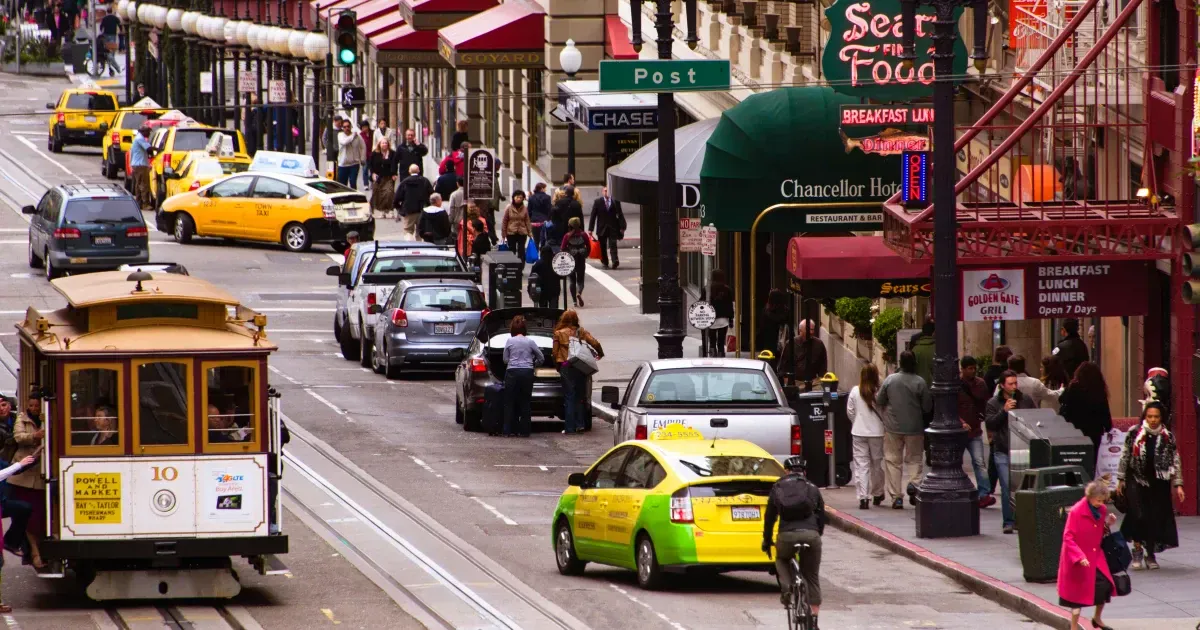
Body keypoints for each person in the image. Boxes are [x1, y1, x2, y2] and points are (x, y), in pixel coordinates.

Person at [1117, 401, 1183, 571]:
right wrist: (1121, 479)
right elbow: (1125, 455)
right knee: (1138, 515)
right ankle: (1137, 550)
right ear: (1144, 417)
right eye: (1149, 416)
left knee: (1154, 517)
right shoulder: (1134, 433)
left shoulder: (1168, 436)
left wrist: (1178, 484)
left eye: (1156, 417)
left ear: (1162, 418)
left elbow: (1175, 460)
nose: (1153, 420)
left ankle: (1150, 554)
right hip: (1136, 479)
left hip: (1159, 482)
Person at [762, 456, 825, 630]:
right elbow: (821, 516)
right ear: (804, 472)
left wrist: (767, 541)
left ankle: (787, 587)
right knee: (811, 577)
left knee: (781, 559)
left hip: (787, 536)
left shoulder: (777, 488)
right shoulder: (812, 488)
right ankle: (813, 619)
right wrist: (816, 534)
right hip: (811, 536)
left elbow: (770, 518)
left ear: (786, 471)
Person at [1058, 480, 1117, 630]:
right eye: (1098, 500)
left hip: (1095, 556)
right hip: (1079, 557)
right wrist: (1079, 557)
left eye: (1102, 501)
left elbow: (1096, 531)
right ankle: (1073, 626)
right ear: (1090, 497)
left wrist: (1107, 524)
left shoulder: (1102, 509)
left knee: (1104, 586)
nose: (1100, 503)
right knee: (1077, 595)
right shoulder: (1077, 511)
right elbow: (1068, 537)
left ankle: (1097, 618)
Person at [877, 351, 932, 509]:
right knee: (914, 459)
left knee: (893, 460)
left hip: (893, 427)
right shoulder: (920, 382)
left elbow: (880, 399)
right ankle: (914, 484)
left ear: (900, 362)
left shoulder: (890, 380)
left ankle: (896, 496)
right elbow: (927, 407)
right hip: (915, 427)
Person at [985, 369, 1036, 534]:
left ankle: (1021, 520)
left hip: (1022, 448)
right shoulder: (993, 403)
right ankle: (1008, 521)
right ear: (1002, 386)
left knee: (1023, 486)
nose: (1014, 386)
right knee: (1007, 486)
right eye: (1010, 384)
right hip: (1003, 449)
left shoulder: (1025, 400)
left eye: (1015, 383)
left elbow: (1035, 419)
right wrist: (1004, 411)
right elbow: (990, 424)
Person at [551, 310, 603, 434]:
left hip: (566, 365)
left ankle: (569, 428)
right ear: (575, 320)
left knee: (569, 397)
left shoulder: (558, 333)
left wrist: (557, 366)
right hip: (580, 366)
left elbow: (554, 353)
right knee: (580, 397)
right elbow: (595, 343)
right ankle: (580, 425)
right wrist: (600, 354)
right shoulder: (581, 332)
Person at [9, 393, 45, 568]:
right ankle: (35, 552)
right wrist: (35, 436)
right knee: (28, 515)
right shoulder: (21, 419)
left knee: (39, 514)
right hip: (24, 474)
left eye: (37, 405)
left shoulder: (49, 418)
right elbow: (18, 437)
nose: (34, 408)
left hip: (42, 474)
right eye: (32, 405)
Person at [957, 356, 993, 508]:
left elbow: (986, 405)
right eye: (969, 368)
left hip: (976, 430)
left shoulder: (981, 384)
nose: (972, 371)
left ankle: (984, 494)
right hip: (959, 431)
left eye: (974, 368)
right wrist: (961, 422)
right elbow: (950, 408)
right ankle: (958, 490)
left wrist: (989, 429)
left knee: (979, 462)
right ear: (963, 369)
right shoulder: (956, 384)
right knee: (956, 463)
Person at [848, 364, 885, 510]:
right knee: (877, 464)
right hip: (877, 432)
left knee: (861, 465)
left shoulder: (855, 391)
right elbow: (884, 411)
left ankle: (863, 497)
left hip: (858, 431)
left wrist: (857, 421)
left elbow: (850, 411)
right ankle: (877, 493)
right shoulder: (879, 392)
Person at [502, 316, 543, 438]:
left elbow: (505, 360)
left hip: (512, 372)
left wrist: (512, 362)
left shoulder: (509, 341)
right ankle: (524, 431)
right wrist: (533, 363)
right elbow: (541, 357)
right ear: (525, 329)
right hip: (527, 372)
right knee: (525, 402)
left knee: (510, 402)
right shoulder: (530, 342)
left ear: (512, 329)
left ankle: (508, 430)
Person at [1059, 361, 1113, 453]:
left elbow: (1062, 400)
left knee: (1077, 456)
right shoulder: (1099, 390)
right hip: (1094, 432)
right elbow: (1104, 411)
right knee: (1092, 458)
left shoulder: (1073, 387)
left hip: (1075, 430)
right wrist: (1108, 427)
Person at [780, 320, 828, 386]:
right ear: (800, 331)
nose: (811, 332)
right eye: (809, 330)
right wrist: (787, 382)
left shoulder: (819, 344)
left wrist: (819, 380)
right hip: (795, 382)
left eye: (812, 330)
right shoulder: (791, 343)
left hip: (814, 383)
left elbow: (823, 367)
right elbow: (783, 366)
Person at [588, 187, 626, 269]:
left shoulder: (615, 201)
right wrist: (590, 229)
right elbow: (593, 216)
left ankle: (615, 261)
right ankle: (605, 261)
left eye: (608, 191)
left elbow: (620, 214)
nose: (606, 192)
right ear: (602, 192)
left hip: (613, 227)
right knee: (602, 246)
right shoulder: (598, 202)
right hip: (601, 228)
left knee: (613, 244)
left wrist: (622, 227)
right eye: (605, 191)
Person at [701, 270, 733, 357]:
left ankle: (712, 355)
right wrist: (731, 319)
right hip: (723, 319)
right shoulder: (727, 289)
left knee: (712, 340)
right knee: (721, 341)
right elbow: (729, 305)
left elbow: (701, 303)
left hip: (711, 318)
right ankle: (721, 355)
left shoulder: (706, 289)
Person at [395, 164, 432, 238]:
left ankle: (409, 246)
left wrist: (399, 208)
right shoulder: (425, 181)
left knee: (408, 230)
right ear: (418, 170)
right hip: (422, 209)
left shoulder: (405, 182)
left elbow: (397, 197)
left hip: (409, 210)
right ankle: (419, 246)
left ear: (409, 171)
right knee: (421, 231)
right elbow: (431, 195)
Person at [561, 217, 591, 307]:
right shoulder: (583, 235)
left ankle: (574, 301)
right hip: (581, 259)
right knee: (580, 281)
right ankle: (579, 293)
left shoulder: (567, 236)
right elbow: (589, 246)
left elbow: (562, 248)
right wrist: (585, 254)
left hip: (571, 259)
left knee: (572, 281)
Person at [757, 289, 791, 366]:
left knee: (769, 361)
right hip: (782, 340)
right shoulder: (785, 311)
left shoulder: (766, 311)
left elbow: (761, 327)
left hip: (768, 341)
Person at [368, 138, 399, 218]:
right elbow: (371, 165)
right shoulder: (375, 153)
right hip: (378, 177)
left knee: (389, 193)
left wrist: (395, 174)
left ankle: (391, 210)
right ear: (379, 144)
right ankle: (382, 211)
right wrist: (373, 173)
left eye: (386, 143)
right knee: (379, 194)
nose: (384, 144)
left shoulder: (392, 153)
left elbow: (394, 164)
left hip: (389, 176)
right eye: (383, 143)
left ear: (388, 144)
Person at [336, 118, 366, 190]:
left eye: (348, 126)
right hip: (343, 164)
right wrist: (353, 136)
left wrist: (362, 158)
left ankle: (353, 198)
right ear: (342, 128)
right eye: (344, 127)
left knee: (353, 183)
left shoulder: (357, 136)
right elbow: (344, 142)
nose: (347, 128)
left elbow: (363, 146)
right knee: (342, 185)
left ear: (351, 127)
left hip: (354, 164)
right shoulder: (340, 135)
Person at [129, 125, 154, 212]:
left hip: (136, 164)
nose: (149, 134)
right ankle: (145, 204)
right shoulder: (140, 138)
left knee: (138, 185)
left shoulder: (138, 138)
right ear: (143, 132)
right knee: (144, 185)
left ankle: (138, 204)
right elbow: (149, 149)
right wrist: (158, 149)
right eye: (148, 132)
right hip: (140, 165)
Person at [500, 190, 532, 258]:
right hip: (511, 232)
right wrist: (503, 233)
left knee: (521, 250)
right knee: (512, 250)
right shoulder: (509, 208)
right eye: (517, 197)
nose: (519, 199)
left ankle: (521, 265)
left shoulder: (524, 209)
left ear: (523, 198)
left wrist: (530, 232)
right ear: (513, 197)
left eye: (521, 197)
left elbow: (527, 221)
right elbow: (505, 221)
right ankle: (512, 264)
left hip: (522, 232)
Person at [910, 319, 936, 387]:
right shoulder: (937, 349)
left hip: (918, 388)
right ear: (933, 333)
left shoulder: (915, 350)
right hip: (934, 389)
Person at [358, 120, 374, 189]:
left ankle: (373, 182)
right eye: (363, 127)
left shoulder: (372, 133)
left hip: (373, 155)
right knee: (365, 170)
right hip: (364, 155)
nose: (365, 128)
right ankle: (366, 184)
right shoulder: (360, 135)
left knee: (373, 170)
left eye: (366, 126)